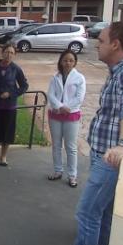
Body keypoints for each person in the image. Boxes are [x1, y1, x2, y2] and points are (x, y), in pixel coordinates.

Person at [40, 21, 123, 245]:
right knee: (104, 213)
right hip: (105, 154)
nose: (96, 45)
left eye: (101, 41)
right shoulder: (119, 70)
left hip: (111, 159)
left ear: (115, 44)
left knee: (88, 212)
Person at [46, 50, 86, 188]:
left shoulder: (79, 78)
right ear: (61, 62)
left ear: (75, 62)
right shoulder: (55, 77)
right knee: (56, 145)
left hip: (71, 114)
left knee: (71, 146)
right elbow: (51, 95)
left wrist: (66, 107)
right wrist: (60, 106)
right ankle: (58, 171)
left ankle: (72, 175)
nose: (68, 63)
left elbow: (79, 97)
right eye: (65, 60)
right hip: (55, 114)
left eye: (71, 60)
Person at [0, 44, 28, 166]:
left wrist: (11, 93)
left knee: (7, 132)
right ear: (2, 52)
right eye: (7, 52)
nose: (9, 55)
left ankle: (3, 156)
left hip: (9, 106)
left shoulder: (16, 69)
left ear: (14, 55)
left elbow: (24, 86)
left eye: (12, 53)